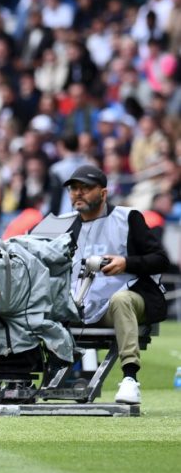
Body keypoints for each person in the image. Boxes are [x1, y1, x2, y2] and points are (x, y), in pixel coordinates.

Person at [65, 165, 170, 405]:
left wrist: (126, 263)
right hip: (82, 306)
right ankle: (18, 376)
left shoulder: (127, 218)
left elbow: (161, 260)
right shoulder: (67, 227)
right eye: (74, 188)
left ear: (103, 193)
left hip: (129, 300)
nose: (78, 193)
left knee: (120, 300)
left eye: (85, 188)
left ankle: (130, 379)